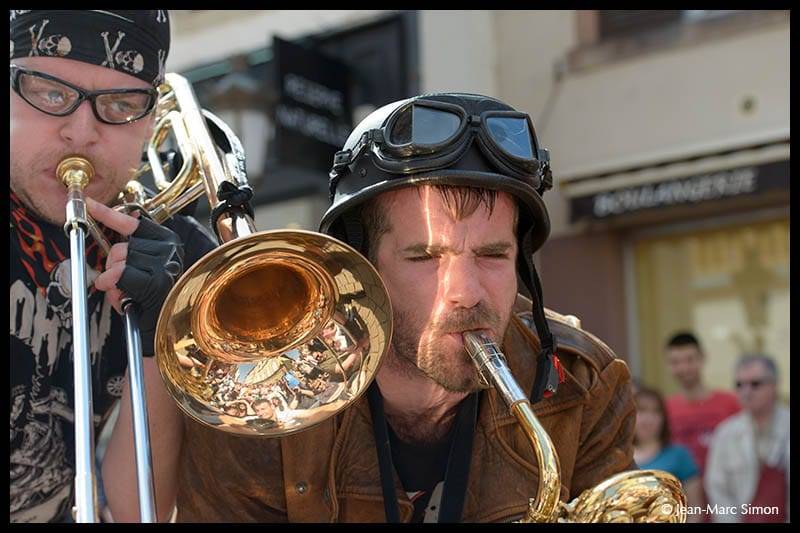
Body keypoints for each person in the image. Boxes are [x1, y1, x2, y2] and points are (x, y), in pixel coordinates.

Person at [175, 93, 640, 523]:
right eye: (424, 257)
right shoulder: (256, 402)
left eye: (493, 255)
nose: (466, 292)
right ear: (358, 267)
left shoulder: (584, 382)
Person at [10, 10, 217, 522]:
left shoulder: (166, 251)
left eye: (121, 105)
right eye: (51, 94)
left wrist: (160, 339)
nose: (81, 133)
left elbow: (133, 511)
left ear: (150, 121)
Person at [662, 331, 739, 518]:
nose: (684, 367)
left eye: (690, 360)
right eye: (675, 362)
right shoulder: (663, 410)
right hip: (683, 509)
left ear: (702, 359)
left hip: (729, 502)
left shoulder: (730, 403)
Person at [705, 355, 789, 523]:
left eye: (755, 384)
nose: (746, 391)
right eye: (739, 385)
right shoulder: (725, 433)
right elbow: (717, 490)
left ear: (774, 385)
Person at [633, 386, 702, 522]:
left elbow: (695, 508)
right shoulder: (618, 458)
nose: (648, 418)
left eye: (655, 411)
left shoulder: (680, 456)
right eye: (641, 410)